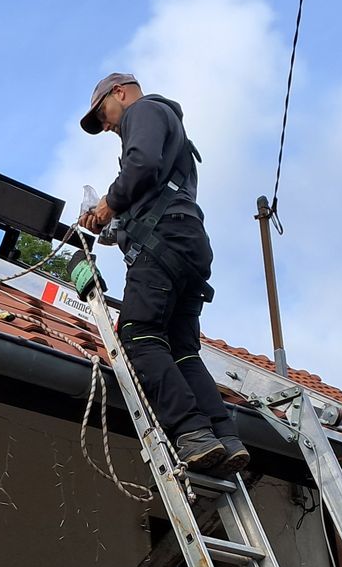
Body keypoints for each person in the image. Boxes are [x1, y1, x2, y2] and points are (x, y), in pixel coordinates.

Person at [74, 72, 248, 474]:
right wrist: (117, 222)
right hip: (187, 244)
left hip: (162, 244)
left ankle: (191, 432)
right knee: (181, 348)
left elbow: (142, 164)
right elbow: (153, 181)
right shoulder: (175, 133)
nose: (106, 126)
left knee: (139, 335)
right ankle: (225, 435)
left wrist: (107, 206)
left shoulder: (144, 110)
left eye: (103, 115)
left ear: (119, 93)